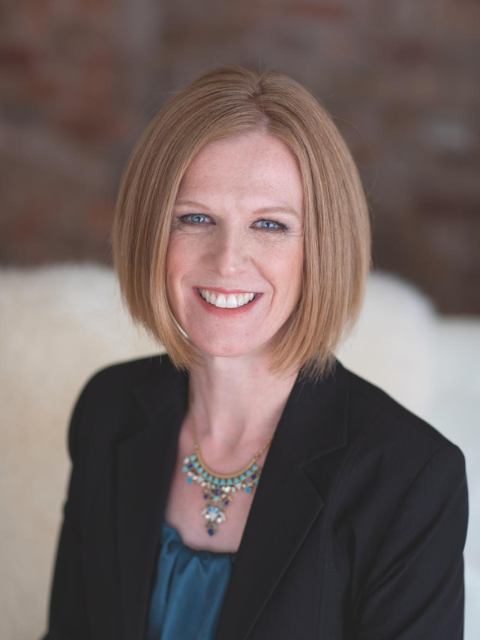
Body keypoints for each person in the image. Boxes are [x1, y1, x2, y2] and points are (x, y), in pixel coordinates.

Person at [41, 66, 469, 640]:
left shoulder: (411, 478)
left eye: (270, 224)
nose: (227, 261)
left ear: (320, 248)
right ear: (151, 232)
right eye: (195, 218)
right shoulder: (108, 409)